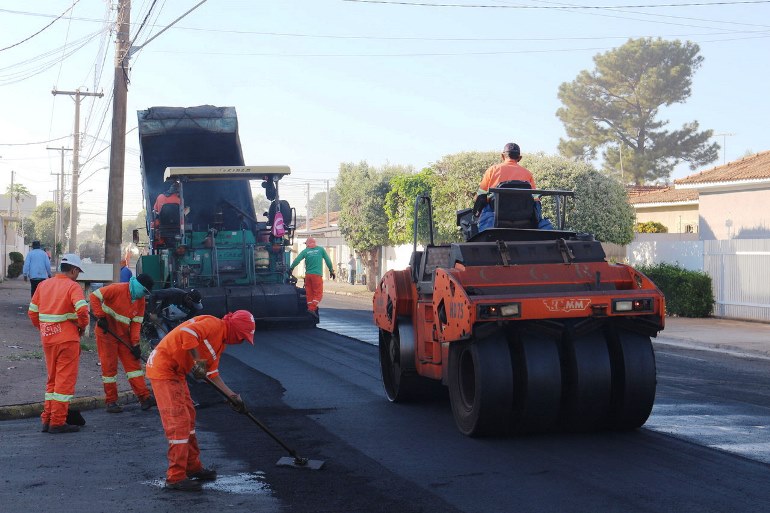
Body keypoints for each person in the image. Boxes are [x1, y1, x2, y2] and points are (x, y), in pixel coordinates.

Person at [145, 311, 255, 492]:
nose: (242, 341)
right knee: (179, 422)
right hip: (164, 369)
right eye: (243, 337)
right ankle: (175, 477)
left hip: (176, 372)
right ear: (236, 329)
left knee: (189, 417)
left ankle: (192, 467)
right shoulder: (213, 324)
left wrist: (232, 397)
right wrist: (198, 362)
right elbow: (187, 333)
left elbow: (212, 376)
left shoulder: (220, 343)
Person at [27, 254, 89, 434]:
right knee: (64, 382)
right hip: (67, 340)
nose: (78, 275)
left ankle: (47, 420)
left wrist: (44, 328)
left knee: (52, 380)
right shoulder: (73, 286)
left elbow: (32, 313)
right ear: (74, 270)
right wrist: (82, 327)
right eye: (78, 272)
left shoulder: (43, 285)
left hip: (48, 339)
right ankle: (57, 421)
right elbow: (82, 311)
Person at [90, 274, 156, 413]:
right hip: (107, 333)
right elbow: (94, 296)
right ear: (139, 287)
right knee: (109, 368)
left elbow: (136, 323)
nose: (144, 295)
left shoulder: (140, 300)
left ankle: (144, 398)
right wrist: (100, 316)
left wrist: (135, 344)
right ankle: (111, 401)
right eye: (144, 291)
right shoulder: (117, 289)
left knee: (134, 367)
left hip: (124, 336)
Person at [475, 142, 537, 231]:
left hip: (497, 216)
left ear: (503, 156)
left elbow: (480, 196)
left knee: (485, 203)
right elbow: (536, 199)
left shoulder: (492, 170)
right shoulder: (527, 173)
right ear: (519, 158)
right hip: (523, 217)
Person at [289, 237, 335, 319]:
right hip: (317, 276)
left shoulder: (305, 251)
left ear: (307, 244)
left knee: (309, 293)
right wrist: (331, 270)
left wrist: (291, 268)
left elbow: (297, 260)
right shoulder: (321, 250)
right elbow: (328, 260)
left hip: (308, 276)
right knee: (318, 294)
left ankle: (310, 308)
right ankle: (312, 308)